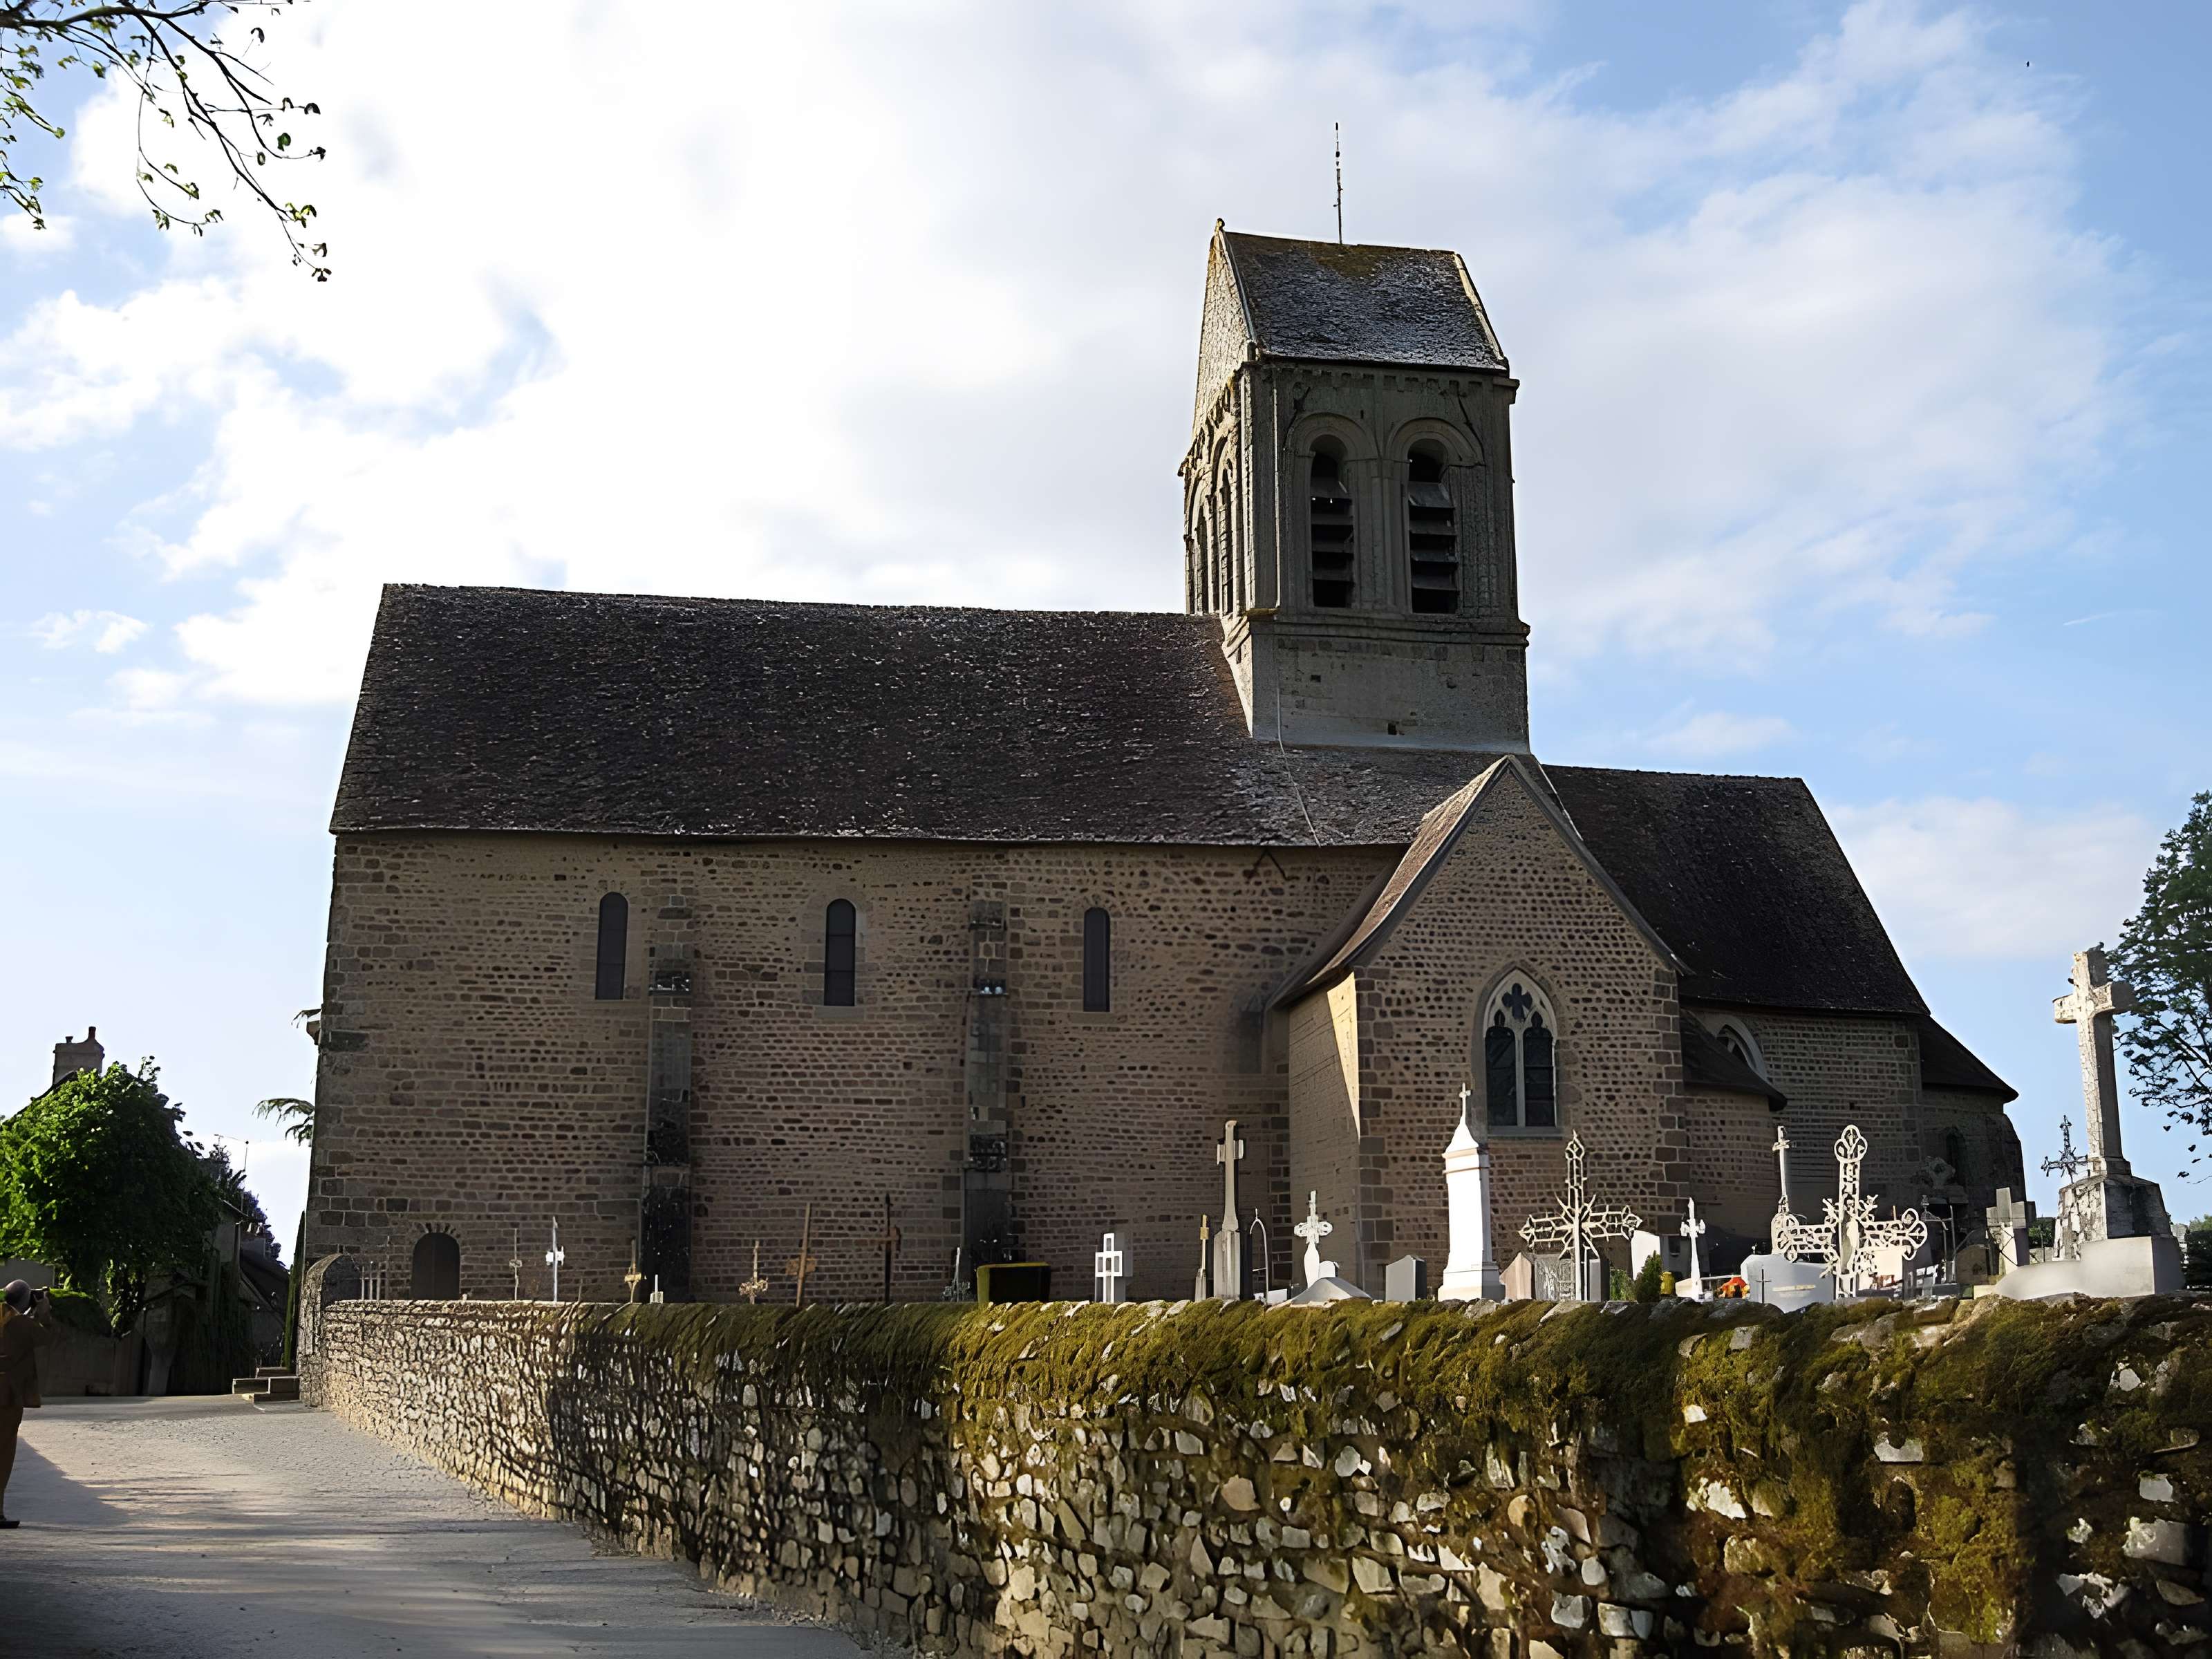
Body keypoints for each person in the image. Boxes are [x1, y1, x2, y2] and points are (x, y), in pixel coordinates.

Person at [0, 1281, 59, 1529]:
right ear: (26, 1300)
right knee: (3, 1453)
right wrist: (43, 1312)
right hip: (7, 1396)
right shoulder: (22, 1324)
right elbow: (48, 1337)